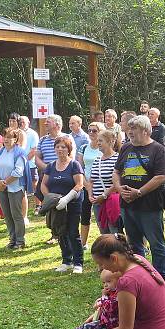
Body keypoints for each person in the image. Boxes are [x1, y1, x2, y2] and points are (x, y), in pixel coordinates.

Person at [113, 115, 165, 282]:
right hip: (127, 204)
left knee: (156, 243)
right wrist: (119, 189)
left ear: (146, 131)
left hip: (149, 206)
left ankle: (161, 277)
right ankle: (140, 276)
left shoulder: (158, 149)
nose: (130, 132)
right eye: (129, 129)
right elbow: (116, 172)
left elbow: (161, 176)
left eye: (134, 129)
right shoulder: (125, 148)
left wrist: (138, 192)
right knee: (133, 244)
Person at [51, 268, 119, 329]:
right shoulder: (111, 292)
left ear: (119, 280)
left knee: (88, 327)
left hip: (111, 325)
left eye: (108, 281)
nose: (105, 285)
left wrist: (103, 297)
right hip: (105, 321)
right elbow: (101, 304)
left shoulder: (119, 294)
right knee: (84, 326)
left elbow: (109, 307)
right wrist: (99, 302)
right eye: (104, 282)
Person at [41, 135, 85, 273]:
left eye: (63, 147)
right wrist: (50, 198)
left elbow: (79, 184)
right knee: (61, 233)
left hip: (72, 204)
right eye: (57, 147)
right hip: (57, 207)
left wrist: (66, 199)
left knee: (73, 232)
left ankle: (78, 262)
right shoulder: (51, 166)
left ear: (68, 149)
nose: (60, 149)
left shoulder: (74, 165)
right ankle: (66, 261)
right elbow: (43, 184)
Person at [0, 128, 29, 249]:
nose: (6, 139)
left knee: (16, 214)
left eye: (9, 137)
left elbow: (18, 171)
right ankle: (12, 239)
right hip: (1, 188)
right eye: (4, 137)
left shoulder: (20, 153)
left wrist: (5, 182)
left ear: (15, 139)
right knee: (7, 214)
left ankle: (20, 241)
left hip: (15, 188)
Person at [36, 114, 69, 243]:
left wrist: (58, 169)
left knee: (62, 204)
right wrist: (48, 169)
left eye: (48, 122)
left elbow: (71, 156)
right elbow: (37, 157)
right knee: (50, 203)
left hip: (64, 176)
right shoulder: (43, 139)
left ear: (57, 124)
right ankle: (54, 233)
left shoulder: (67, 138)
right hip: (47, 176)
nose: (45, 124)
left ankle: (64, 232)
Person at [89, 128, 122, 235]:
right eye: (97, 140)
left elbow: (117, 182)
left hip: (111, 201)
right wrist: (91, 195)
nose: (98, 143)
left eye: (101, 141)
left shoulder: (118, 159)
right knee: (103, 232)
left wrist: (104, 196)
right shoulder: (97, 160)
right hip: (97, 202)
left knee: (115, 231)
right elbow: (91, 180)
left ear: (110, 142)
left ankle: (120, 251)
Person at [77, 122, 104, 248]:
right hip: (86, 184)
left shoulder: (104, 147)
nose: (92, 133)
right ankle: (83, 243)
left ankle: (106, 240)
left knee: (102, 215)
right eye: (90, 130)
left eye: (95, 130)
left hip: (101, 186)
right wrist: (86, 185)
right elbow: (79, 167)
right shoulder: (83, 147)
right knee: (85, 213)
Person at [19, 115, 40, 221]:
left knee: (34, 184)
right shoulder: (17, 133)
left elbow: (34, 149)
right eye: (20, 122)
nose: (22, 123)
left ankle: (38, 205)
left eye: (24, 122)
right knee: (21, 186)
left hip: (30, 164)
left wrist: (24, 161)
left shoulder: (33, 134)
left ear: (28, 122)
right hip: (19, 165)